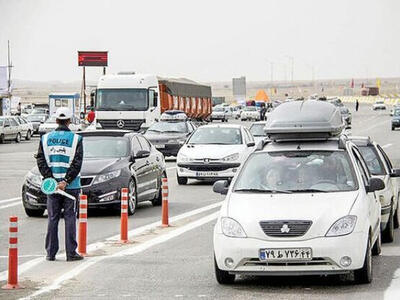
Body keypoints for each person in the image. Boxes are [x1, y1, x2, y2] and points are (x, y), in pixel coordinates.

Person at [36, 107, 84, 262]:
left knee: (53, 218)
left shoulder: (45, 138)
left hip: (52, 187)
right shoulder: (77, 139)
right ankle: (71, 253)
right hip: (71, 187)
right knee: (70, 217)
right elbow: (77, 164)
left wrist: (51, 179)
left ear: (56, 120)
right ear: (69, 121)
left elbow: (41, 161)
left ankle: (51, 253)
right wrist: (65, 181)